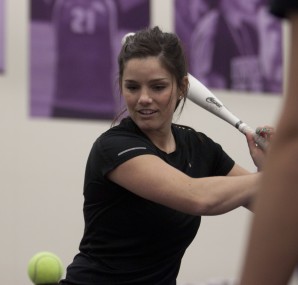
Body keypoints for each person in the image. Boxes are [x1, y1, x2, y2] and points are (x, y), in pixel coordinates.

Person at [59, 26, 271, 285]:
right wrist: (277, 173)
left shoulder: (198, 146)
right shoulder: (114, 147)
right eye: (132, 87)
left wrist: (268, 171)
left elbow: (269, 206)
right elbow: (198, 197)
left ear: (182, 87)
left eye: (158, 87)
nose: (144, 98)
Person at [239, 1, 298, 284]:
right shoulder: (113, 147)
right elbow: (197, 196)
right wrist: (272, 171)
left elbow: (296, 139)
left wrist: (274, 170)